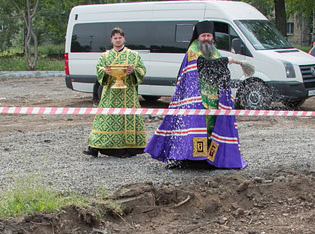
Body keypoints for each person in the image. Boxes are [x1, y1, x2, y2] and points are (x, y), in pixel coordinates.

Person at [145, 21, 249, 169]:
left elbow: (218, 71)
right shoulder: (193, 51)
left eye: (208, 35)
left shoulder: (215, 51)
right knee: (194, 125)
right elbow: (202, 66)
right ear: (198, 36)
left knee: (212, 127)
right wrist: (225, 61)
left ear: (212, 37)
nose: (206, 38)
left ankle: (209, 158)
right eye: (203, 35)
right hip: (195, 98)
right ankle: (190, 158)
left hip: (213, 99)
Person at [85, 27, 147, 157]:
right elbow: (99, 70)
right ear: (111, 40)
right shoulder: (105, 56)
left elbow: (142, 70)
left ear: (124, 38)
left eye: (120, 37)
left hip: (128, 94)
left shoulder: (133, 55)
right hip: (110, 94)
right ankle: (97, 146)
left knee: (127, 119)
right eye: (115, 38)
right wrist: (105, 72)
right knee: (105, 120)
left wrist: (133, 71)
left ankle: (129, 149)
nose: (118, 40)